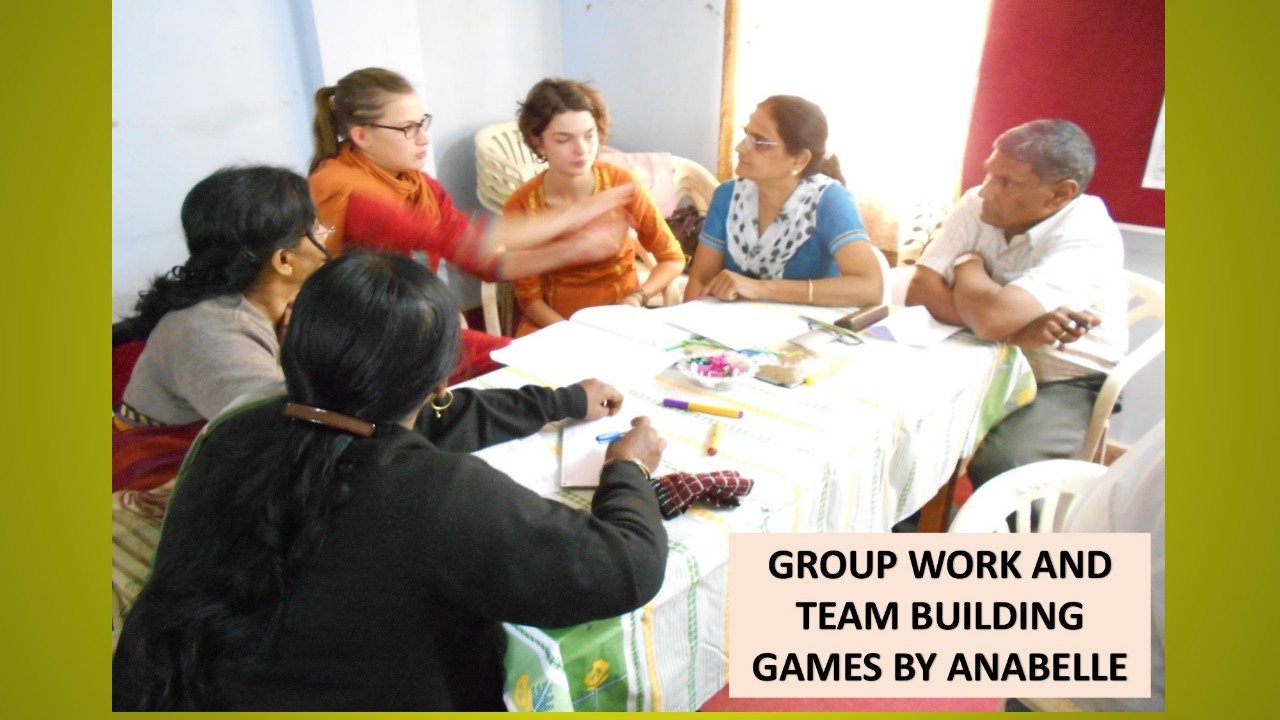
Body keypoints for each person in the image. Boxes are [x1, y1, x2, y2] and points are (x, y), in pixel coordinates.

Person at [112, 252, 669, 711]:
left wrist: (560, 401)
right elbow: (626, 566)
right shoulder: (431, 492)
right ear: (440, 380)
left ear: (293, 339)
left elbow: (430, 419)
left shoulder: (237, 429)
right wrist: (629, 469)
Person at [309, 67, 637, 376]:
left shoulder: (421, 187)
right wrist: (573, 219)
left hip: (415, 332)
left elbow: (484, 262)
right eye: (408, 129)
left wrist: (572, 249)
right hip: (365, 349)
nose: (424, 139)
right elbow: (460, 241)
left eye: (423, 123)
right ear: (361, 136)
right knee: (529, 374)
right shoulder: (347, 190)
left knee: (533, 362)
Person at [906, 119, 1128, 489]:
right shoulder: (977, 203)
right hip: (974, 355)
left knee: (1006, 466)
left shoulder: (1089, 235)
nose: (986, 190)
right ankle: (918, 521)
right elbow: (920, 291)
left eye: (1006, 182)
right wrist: (1016, 331)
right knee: (901, 429)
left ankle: (1023, 526)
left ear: (1059, 195)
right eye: (989, 174)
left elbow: (992, 320)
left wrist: (967, 266)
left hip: (1061, 377)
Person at [118, 166, 332, 427]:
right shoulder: (209, 332)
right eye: (316, 227)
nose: (326, 236)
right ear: (284, 260)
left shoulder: (280, 303)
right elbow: (278, 429)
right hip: (179, 453)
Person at [504, 78, 685, 337]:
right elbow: (530, 300)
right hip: (552, 327)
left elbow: (672, 258)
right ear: (538, 142)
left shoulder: (622, 185)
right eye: (563, 140)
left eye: (589, 136)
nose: (581, 150)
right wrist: (573, 335)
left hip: (620, 321)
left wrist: (637, 297)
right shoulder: (522, 204)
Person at [683, 95, 882, 306]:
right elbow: (700, 280)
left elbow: (871, 288)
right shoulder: (728, 196)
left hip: (805, 325)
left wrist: (762, 288)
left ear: (799, 159)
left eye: (759, 142)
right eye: (746, 135)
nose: (740, 148)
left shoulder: (829, 201)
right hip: (731, 324)